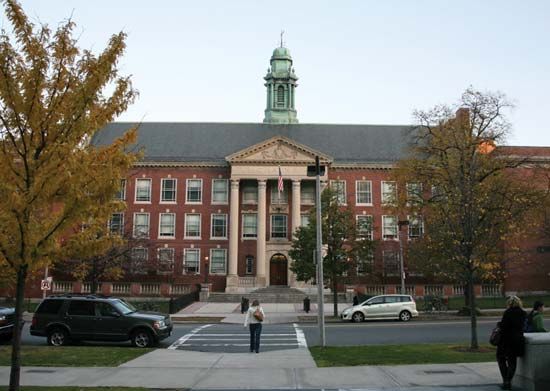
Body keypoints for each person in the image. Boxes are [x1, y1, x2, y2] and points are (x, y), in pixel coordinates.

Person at [496, 295, 526, 390]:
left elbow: (504, 326)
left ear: (509, 303)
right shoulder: (523, 313)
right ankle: (508, 380)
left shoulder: (507, 312)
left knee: (501, 359)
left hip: (506, 340)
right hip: (518, 340)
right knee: (512, 362)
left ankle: (505, 380)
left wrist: (499, 324)